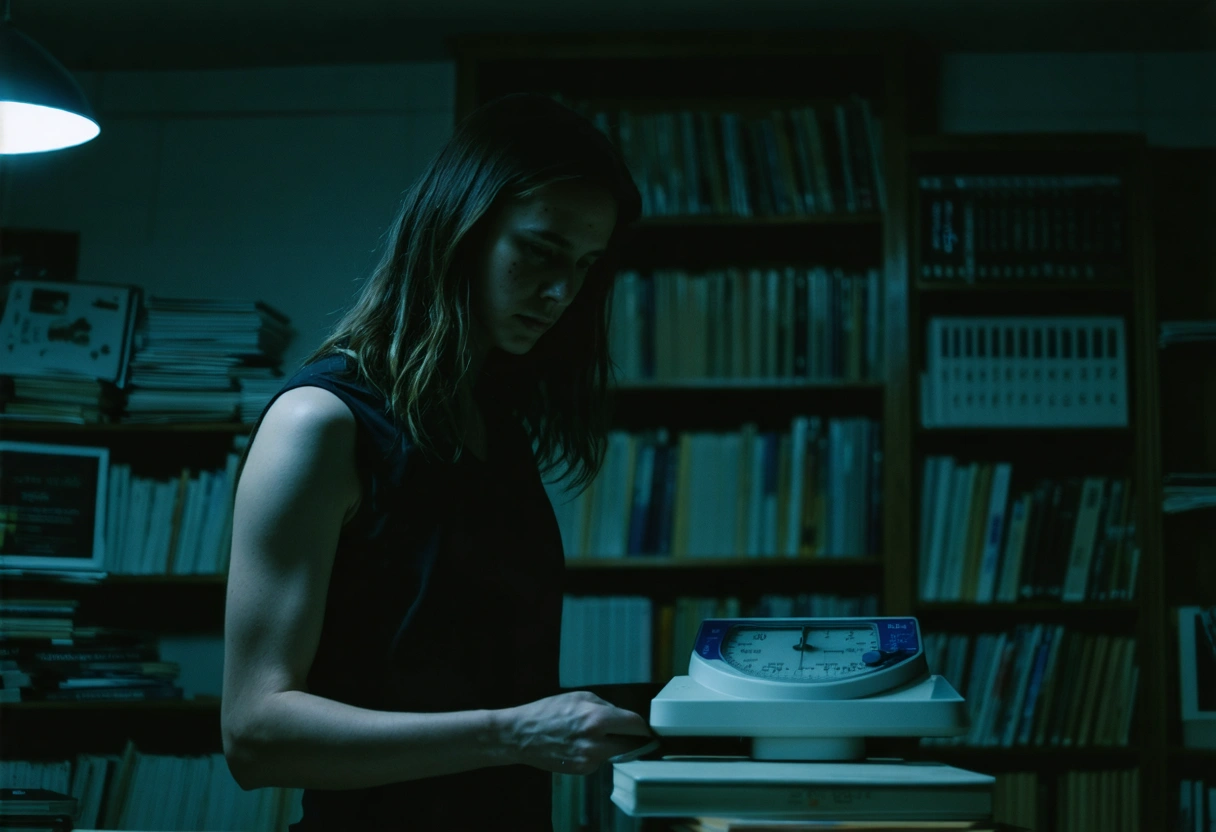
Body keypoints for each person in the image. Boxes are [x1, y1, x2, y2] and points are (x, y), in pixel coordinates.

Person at [221, 92, 654, 830]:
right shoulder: (319, 423)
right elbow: (255, 737)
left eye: (584, 265)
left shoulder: (495, 425)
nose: (561, 293)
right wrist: (512, 734)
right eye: (540, 251)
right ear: (460, 230)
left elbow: (468, 679)